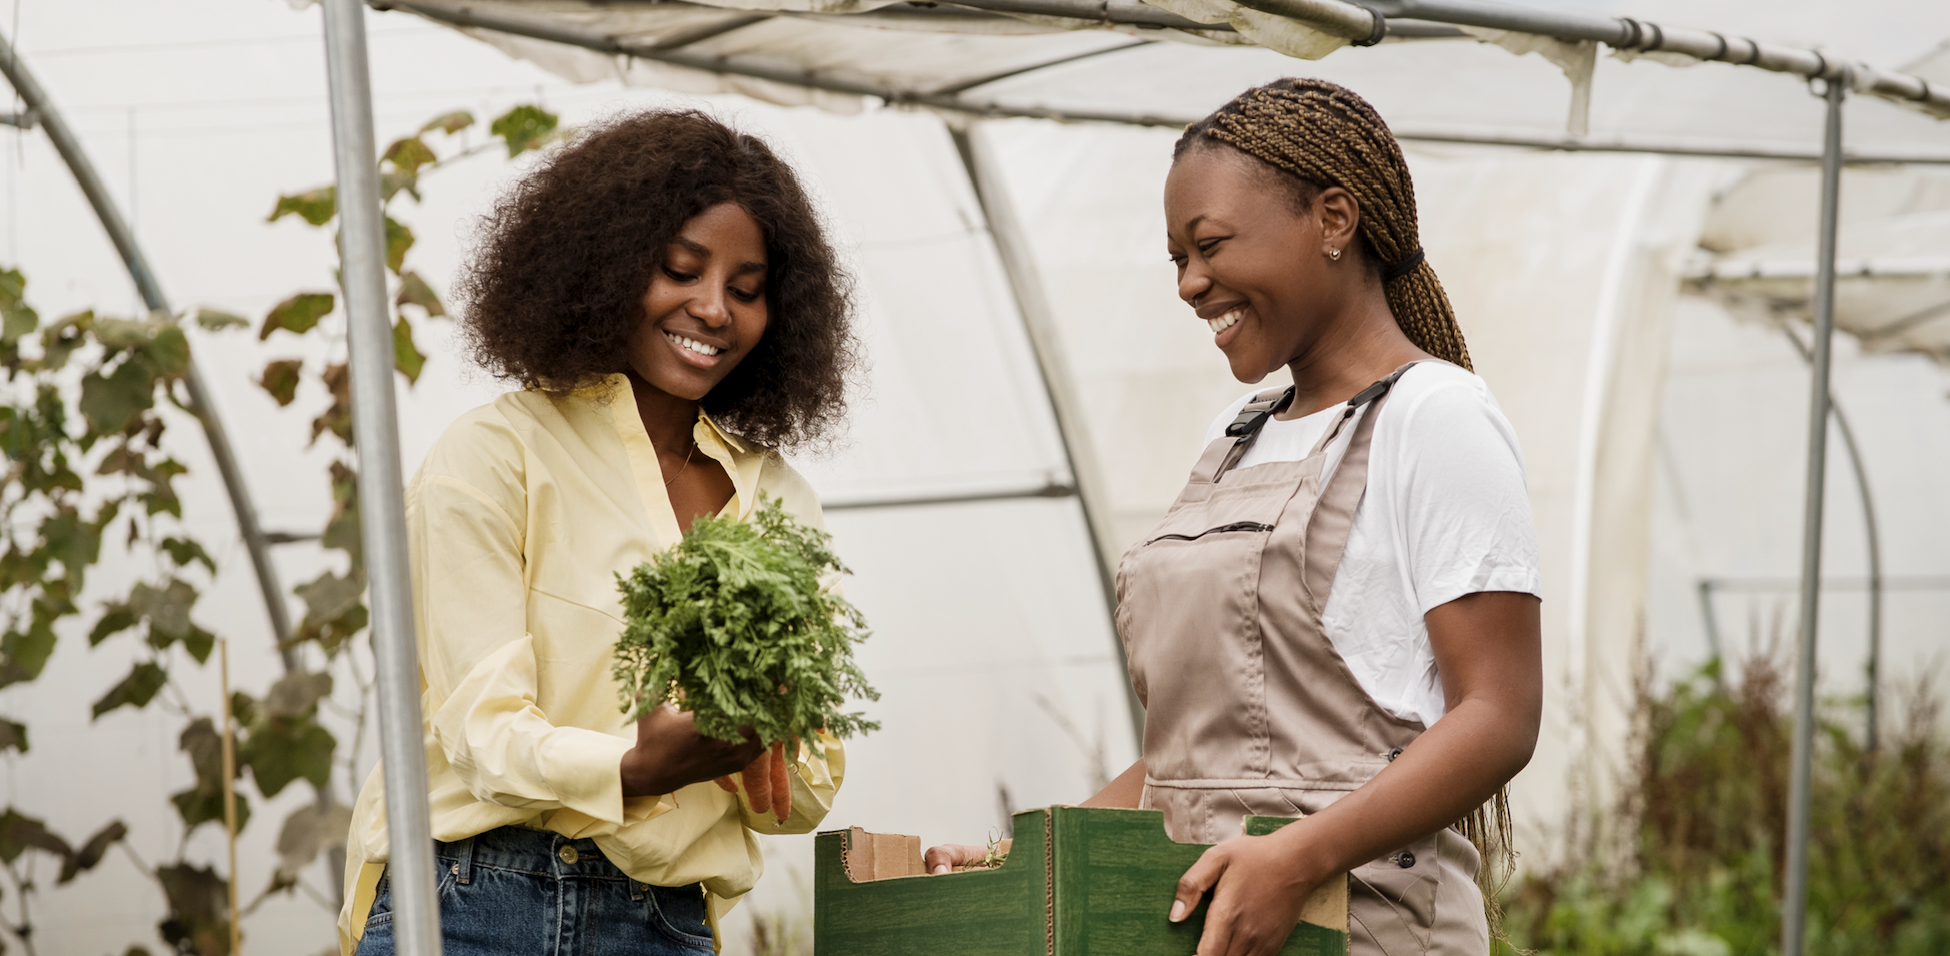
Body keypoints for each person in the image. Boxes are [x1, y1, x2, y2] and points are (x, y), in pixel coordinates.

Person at [926, 78, 1543, 956]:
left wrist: (1291, 860)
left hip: (1365, 930)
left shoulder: (1434, 417)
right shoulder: (1237, 435)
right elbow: (1192, 757)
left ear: (1334, 220)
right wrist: (1020, 857)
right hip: (1216, 929)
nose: (1188, 283)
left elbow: (1498, 715)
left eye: (1208, 245)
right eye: (1175, 258)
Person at [338, 109, 860, 956]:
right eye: (680, 270)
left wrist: (753, 746)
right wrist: (636, 768)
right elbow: (480, 732)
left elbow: (802, 796)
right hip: (474, 903)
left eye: (746, 287)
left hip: (662, 920)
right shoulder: (495, 455)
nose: (713, 308)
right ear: (605, 265)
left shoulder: (777, 501)